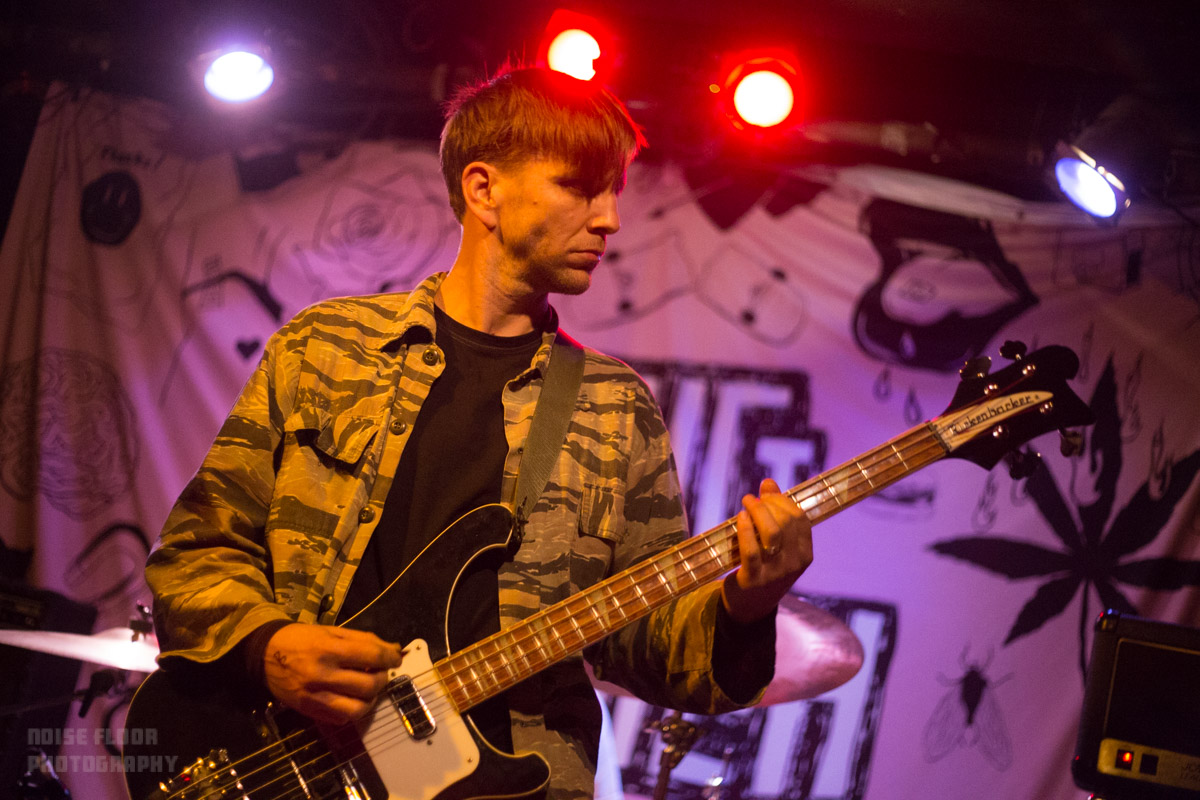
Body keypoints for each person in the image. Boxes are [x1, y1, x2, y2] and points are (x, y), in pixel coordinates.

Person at [146, 65, 814, 799]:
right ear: (483, 188)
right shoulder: (326, 349)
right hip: (285, 764)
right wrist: (268, 649)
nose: (610, 219)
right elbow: (196, 554)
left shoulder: (616, 407)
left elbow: (648, 646)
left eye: (614, 191)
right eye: (579, 187)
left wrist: (749, 604)